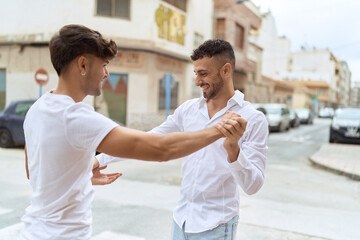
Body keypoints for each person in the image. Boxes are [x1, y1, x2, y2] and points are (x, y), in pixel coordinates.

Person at [21, 25, 244, 240]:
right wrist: (219, 129)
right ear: (83, 65)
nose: (106, 73)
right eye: (104, 64)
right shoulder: (77, 117)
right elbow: (160, 149)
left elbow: (36, 172)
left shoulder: (37, 109)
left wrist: (78, 177)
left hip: (33, 230)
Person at [97, 39, 268, 239]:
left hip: (216, 227)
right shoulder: (188, 110)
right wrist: (99, 160)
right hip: (181, 222)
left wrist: (234, 151)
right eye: (196, 74)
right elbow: (148, 139)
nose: (197, 81)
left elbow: (253, 186)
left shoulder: (253, 118)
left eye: (203, 74)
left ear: (226, 70)